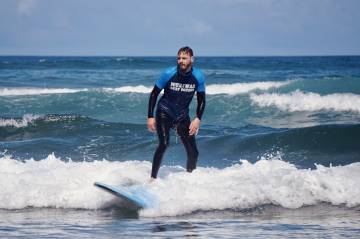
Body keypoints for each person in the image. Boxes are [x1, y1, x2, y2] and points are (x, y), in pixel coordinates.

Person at [147, 46, 206, 179]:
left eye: (184, 58)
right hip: (164, 112)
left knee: (194, 152)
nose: (181, 61)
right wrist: (150, 116)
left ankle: (190, 179)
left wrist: (197, 119)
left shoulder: (198, 76)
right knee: (164, 144)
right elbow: (154, 94)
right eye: (179, 58)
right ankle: (152, 179)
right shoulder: (169, 73)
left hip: (182, 116)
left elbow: (202, 100)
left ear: (192, 59)